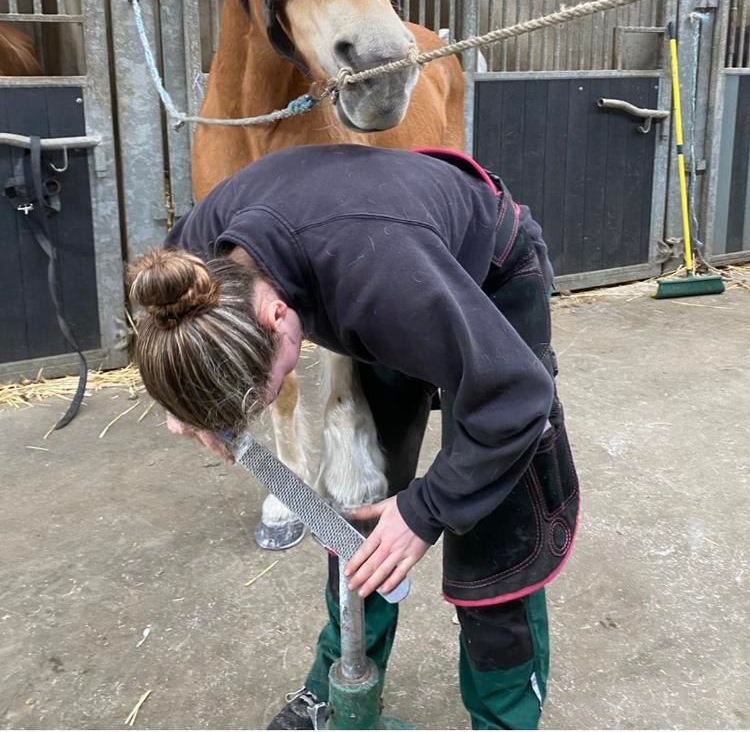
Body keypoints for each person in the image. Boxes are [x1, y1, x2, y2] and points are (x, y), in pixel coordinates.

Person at [128, 144, 579, 731]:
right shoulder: (194, 271)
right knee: (361, 503)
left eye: (262, 393)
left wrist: (427, 510)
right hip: (374, 265)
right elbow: (161, 325)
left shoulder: (382, 281)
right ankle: (337, 684)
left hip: (482, 271)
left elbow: (514, 398)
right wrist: (183, 403)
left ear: (278, 319)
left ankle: (504, 718)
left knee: (494, 517)